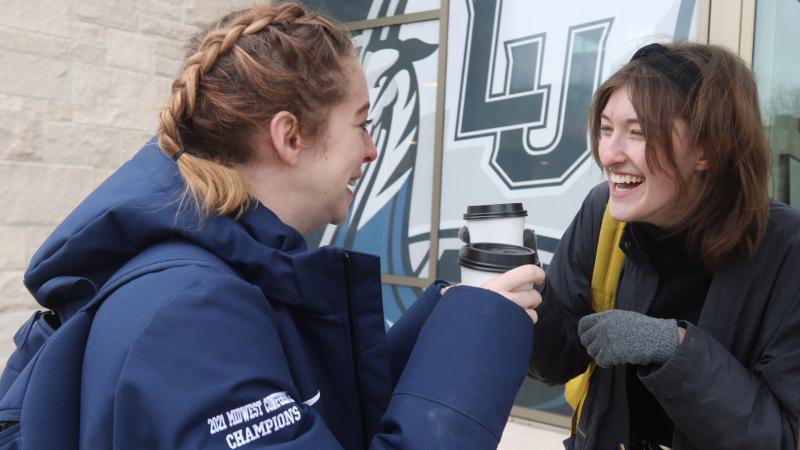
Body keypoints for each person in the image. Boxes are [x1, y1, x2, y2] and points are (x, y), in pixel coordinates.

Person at [20, 3, 544, 449]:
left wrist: (450, 317)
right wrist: (478, 343)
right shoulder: (194, 315)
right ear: (289, 137)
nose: (372, 148)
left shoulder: (232, 278)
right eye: (361, 122)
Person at [529, 42, 800, 450]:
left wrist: (673, 348)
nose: (609, 153)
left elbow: (781, 437)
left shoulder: (787, 249)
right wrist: (525, 293)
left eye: (637, 133)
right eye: (606, 129)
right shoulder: (603, 213)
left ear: (706, 148)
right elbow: (557, 361)